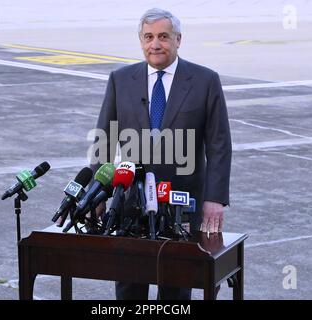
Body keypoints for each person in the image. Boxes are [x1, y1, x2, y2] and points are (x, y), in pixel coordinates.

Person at [90, 8, 232, 300]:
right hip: (130, 203)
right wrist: (98, 193)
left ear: (178, 40)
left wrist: (215, 199)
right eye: (149, 37)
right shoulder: (120, 79)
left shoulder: (206, 81)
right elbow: (104, 141)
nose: (156, 44)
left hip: (184, 204)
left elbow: (219, 144)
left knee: (177, 288)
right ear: (141, 41)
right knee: (130, 286)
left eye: (163, 37)